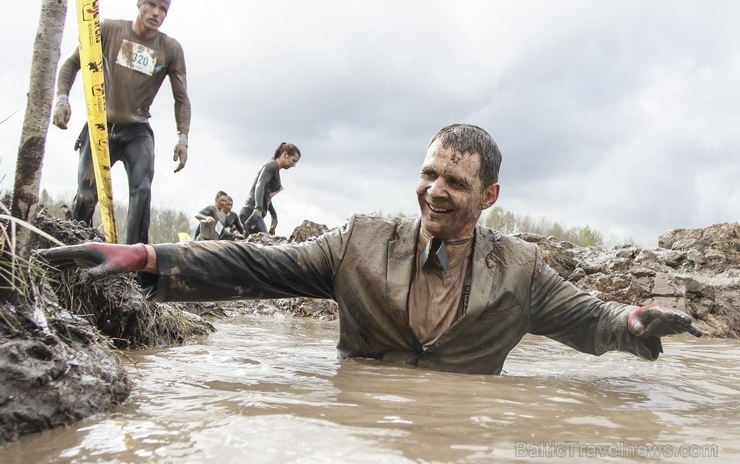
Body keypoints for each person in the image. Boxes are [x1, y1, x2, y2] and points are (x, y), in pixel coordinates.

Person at [37, 124, 703, 375]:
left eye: (456, 182)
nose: (436, 191)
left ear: (490, 195)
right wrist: (148, 259)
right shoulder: (357, 244)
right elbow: (256, 265)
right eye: (429, 174)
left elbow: (594, 319)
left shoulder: (521, 270)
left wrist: (634, 325)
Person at [52, 0, 191, 245]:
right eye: (151, 4)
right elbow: (72, 64)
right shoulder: (108, 30)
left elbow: (182, 98)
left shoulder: (170, 49)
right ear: (139, 4)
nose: (156, 12)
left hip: (137, 131)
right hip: (101, 125)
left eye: (163, 9)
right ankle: (75, 250)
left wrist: (183, 138)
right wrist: (62, 99)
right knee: (86, 196)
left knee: (142, 190)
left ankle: (134, 262)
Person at [238, 143, 301, 236]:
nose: (294, 165)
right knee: (265, 242)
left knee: (251, 247)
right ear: (285, 154)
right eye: (293, 160)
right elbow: (260, 185)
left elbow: (266, 195)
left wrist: (273, 215)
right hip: (251, 211)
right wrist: (258, 208)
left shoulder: (274, 169)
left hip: (252, 212)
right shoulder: (272, 166)